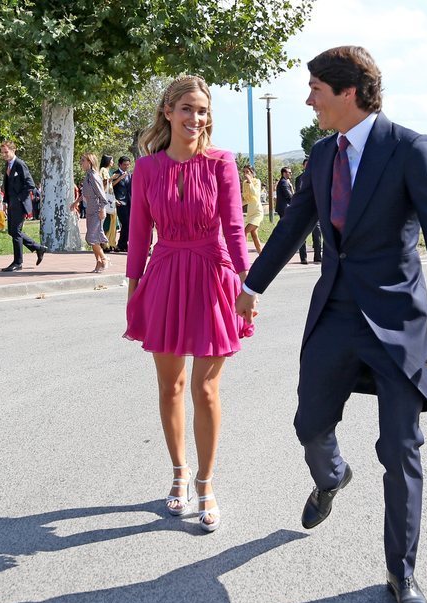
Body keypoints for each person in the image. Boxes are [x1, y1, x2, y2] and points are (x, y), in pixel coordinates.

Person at [234, 46, 427, 603]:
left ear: (349, 92)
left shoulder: (410, 150)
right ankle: (333, 475)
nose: (308, 97)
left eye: (315, 87)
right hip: (335, 316)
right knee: (309, 424)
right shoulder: (322, 155)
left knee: (401, 449)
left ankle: (402, 571)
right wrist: (253, 286)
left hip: (397, 326)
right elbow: (294, 225)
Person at [124, 75, 252, 534]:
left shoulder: (222, 163)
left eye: (202, 111)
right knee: (171, 388)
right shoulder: (147, 169)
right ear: (167, 112)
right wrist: (133, 290)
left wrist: (247, 286)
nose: (195, 118)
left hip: (213, 276)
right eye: (186, 109)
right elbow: (138, 235)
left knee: (207, 390)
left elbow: (235, 228)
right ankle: (178, 473)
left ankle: (206, 481)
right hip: (164, 277)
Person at [0, 140, 48, 272]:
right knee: (13, 231)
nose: (4, 154)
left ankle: (18, 262)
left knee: (15, 232)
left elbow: (30, 184)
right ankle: (38, 248)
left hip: (20, 204)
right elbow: (8, 186)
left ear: (13, 150)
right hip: (11, 204)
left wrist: (19, 199)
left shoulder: (20, 164)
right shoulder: (8, 165)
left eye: (6, 152)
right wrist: (6, 201)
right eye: (2, 152)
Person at [75, 152, 109, 272]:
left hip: (96, 211)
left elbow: (102, 196)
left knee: (91, 237)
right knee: (92, 239)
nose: (81, 163)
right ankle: (98, 262)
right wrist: (75, 203)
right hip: (90, 210)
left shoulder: (94, 176)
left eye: (83, 160)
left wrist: (102, 209)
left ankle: (104, 259)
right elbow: (85, 194)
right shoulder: (88, 176)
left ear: (90, 162)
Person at [294, 157, 322, 264]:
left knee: (317, 235)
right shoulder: (299, 179)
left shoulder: (318, 177)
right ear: (303, 166)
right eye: (306, 164)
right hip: (303, 211)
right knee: (302, 236)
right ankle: (303, 258)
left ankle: (318, 257)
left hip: (316, 211)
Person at [241, 164, 264, 254]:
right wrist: (238, 206)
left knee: (244, 232)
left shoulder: (256, 181)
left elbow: (255, 194)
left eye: (247, 172)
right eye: (244, 172)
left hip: (257, 212)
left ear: (252, 173)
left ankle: (242, 253)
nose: (245, 174)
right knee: (254, 235)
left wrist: (250, 182)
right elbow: (246, 199)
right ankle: (262, 255)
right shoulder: (244, 183)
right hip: (250, 213)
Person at [112, 156, 133, 252]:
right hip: (120, 203)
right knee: (126, 223)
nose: (126, 166)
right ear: (120, 164)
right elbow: (110, 187)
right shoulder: (115, 174)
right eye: (124, 165)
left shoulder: (129, 174)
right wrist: (115, 200)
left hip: (129, 203)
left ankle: (123, 244)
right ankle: (121, 244)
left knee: (128, 224)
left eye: (128, 165)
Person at [100, 155, 118, 252]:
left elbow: (110, 185)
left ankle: (110, 243)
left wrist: (117, 178)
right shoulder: (103, 170)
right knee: (107, 222)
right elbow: (102, 183)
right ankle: (104, 244)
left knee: (112, 221)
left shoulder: (107, 171)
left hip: (110, 199)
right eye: (111, 160)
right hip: (106, 200)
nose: (113, 162)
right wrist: (112, 178)